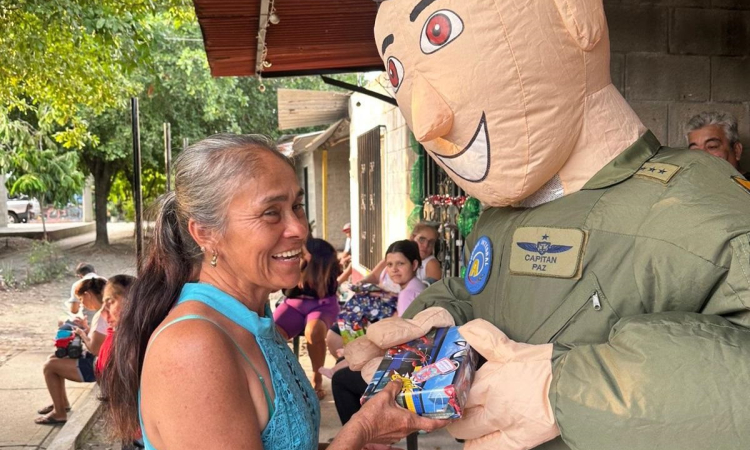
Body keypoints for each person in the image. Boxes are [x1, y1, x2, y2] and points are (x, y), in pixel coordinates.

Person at [349, 1, 750, 449]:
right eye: (399, 73)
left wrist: (564, 391)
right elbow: (494, 299)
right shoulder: (501, 213)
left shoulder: (697, 201)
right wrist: (439, 320)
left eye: (439, 32)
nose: (425, 122)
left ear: (574, 15)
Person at [99, 134, 447, 450]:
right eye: (270, 213)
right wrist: (360, 433)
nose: (299, 228)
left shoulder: (254, 316)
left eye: (296, 205)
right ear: (205, 233)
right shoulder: (193, 348)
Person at [329, 239, 425, 428]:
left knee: (341, 380)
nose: (394, 269)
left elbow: (400, 339)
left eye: (400, 264)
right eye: (389, 265)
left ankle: (359, 440)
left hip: (406, 372)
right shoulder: (415, 287)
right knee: (347, 363)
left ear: (414, 264)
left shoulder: (409, 293)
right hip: (411, 362)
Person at [273, 238, 342, 399]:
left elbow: (331, 288)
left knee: (314, 331)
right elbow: (284, 291)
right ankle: (286, 378)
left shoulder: (325, 270)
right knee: (272, 332)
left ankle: (316, 378)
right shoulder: (293, 263)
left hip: (322, 305)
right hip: (294, 304)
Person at [35, 276, 108, 425]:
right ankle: (61, 404)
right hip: (101, 360)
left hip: (99, 366)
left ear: (88, 294)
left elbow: (94, 349)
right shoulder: (106, 311)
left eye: (81, 299)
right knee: (54, 358)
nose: (82, 304)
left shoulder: (102, 315)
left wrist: (81, 333)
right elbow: (101, 340)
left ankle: (59, 413)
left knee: (49, 367)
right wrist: (86, 328)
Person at [360, 222, 441, 291]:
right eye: (422, 239)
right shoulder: (396, 254)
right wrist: (360, 284)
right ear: (413, 238)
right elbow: (374, 276)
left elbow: (429, 291)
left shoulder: (430, 263)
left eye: (431, 242)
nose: (426, 245)